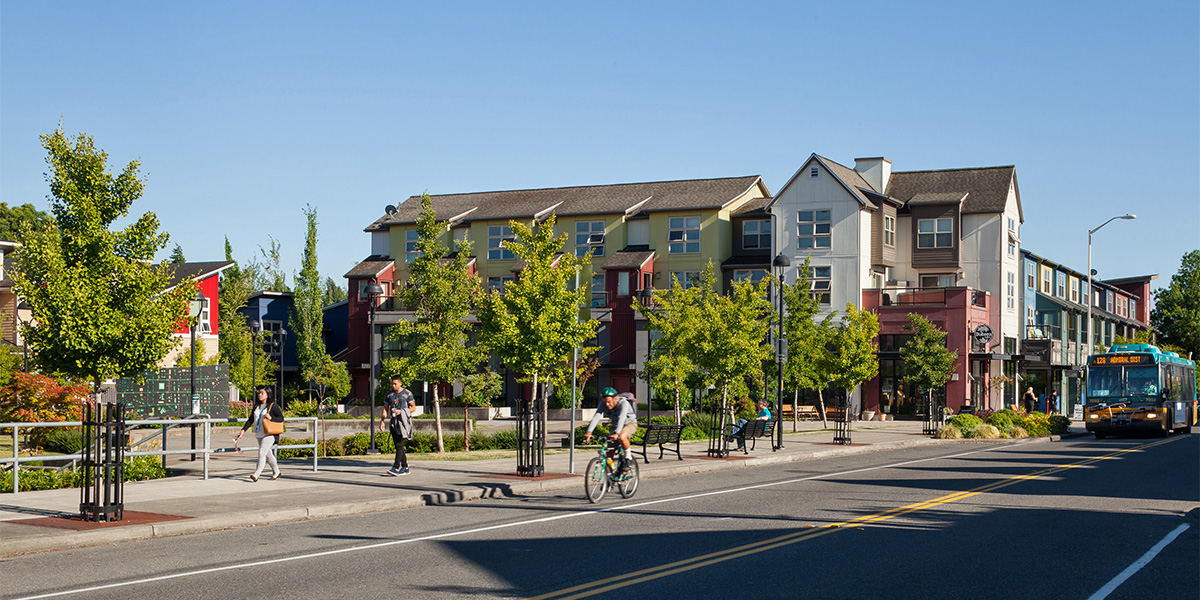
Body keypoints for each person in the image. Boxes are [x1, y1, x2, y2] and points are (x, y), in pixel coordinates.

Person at [233, 386, 284, 482]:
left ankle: (256, 474)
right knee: (268, 454)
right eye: (259, 393)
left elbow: (281, 418)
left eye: (262, 393)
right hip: (259, 434)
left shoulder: (273, 406)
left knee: (262, 453)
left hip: (269, 434)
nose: (259, 395)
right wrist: (243, 430)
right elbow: (250, 420)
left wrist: (271, 418)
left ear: (267, 395)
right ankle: (277, 471)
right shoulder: (257, 406)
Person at [584, 388, 637, 477]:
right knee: (608, 453)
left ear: (615, 398)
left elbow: (622, 418)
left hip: (629, 423)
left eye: (609, 401)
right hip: (616, 425)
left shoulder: (624, 403)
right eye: (605, 402)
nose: (607, 404)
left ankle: (628, 458)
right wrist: (589, 432)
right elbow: (597, 416)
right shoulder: (602, 404)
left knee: (622, 436)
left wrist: (617, 433)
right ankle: (609, 479)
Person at [380, 375, 416, 476]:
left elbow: (413, 408)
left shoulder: (407, 393)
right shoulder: (389, 395)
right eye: (392, 383)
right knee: (397, 445)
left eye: (395, 383)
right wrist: (382, 421)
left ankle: (396, 467)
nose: (393, 385)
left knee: (399, 444)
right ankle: (405, 466)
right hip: (393, 422)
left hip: (403, 422)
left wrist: (402, 411)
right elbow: (385, 408)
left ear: (400, 383)